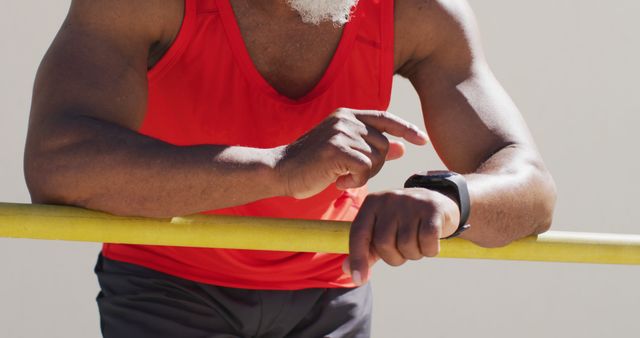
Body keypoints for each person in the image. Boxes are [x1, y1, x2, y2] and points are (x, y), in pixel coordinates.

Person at [24, 0, 557, 337]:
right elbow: (57, 165)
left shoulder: (421, 13)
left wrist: (448, 201)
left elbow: (531, 188)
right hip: (168, 287)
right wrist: (278, 167)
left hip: (333, 292)